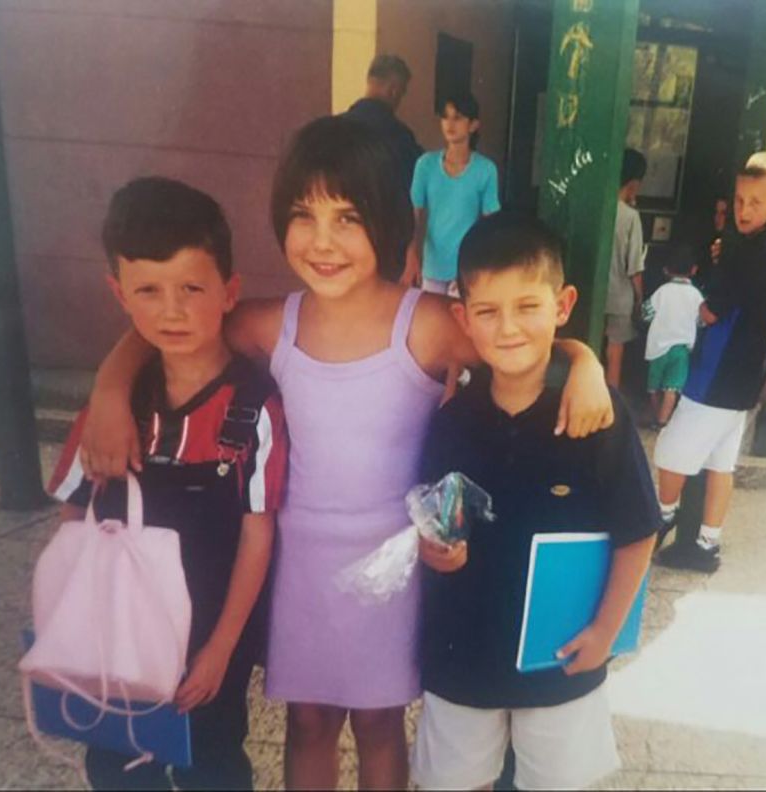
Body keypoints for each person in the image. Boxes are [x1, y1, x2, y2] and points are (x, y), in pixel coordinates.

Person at [76, 117, 615, 790]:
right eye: (304, 215)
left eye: (348, 217)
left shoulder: (422, 324)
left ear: (388, 221)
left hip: (393, 565)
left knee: (380, 724)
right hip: (297, 560)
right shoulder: (271, 323)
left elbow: (517, 343)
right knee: (307, 724)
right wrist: (110, 386)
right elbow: (171, 328)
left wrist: (582, 358)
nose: (323, 242)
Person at [46, 177, 287, 790]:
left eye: (191, 288)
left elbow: (258, 536)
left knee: (213, 764)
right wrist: (64, 615)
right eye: (148, 290)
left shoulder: (252, 406)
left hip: (206, 640)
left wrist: (223, 648)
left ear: (229, 292)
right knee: (117, 765)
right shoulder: (110, 413)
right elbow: (71, 520)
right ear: (118, 294)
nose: (172, 310)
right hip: (115, 636)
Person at [411, 212, 659, 790]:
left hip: (561, 659)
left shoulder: (596, 415)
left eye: (528, 306)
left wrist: (605, 631)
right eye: (487, 311)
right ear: (462, 317)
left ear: (562, 304)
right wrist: (435, 550)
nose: (508, 328)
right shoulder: (452, 419)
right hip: (463, 657)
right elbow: (436, 521)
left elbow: (638, 531)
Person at [654, 153, 766, 573]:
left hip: (717, 374)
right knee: (719, 463)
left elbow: (713, 310)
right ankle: (706, 544)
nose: (744, 210)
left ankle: (663, 515)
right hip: (745, 379)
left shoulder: (752, 253)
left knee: (670, 451)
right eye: (738, 201)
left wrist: (715, 274)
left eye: (755, 202)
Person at [404, 91, 500, 295]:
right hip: (433, 267)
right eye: (445, 117)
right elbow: (414, 213)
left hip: (466, 267)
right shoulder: (426, 165)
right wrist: (411, 253)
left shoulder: (485, 169)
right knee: (432, 322)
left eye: (457, 117)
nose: (450, 123)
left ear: (473, 125)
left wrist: (482, 264)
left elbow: (491, 222)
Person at [343, 54, 423, 196]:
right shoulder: (400, 136)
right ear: (394, 90)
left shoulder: (336, 128)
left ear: (369, 80)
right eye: (402, 91)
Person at [642, 249, 703, 428]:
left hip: (657, 347)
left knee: (654, 387)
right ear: (694, 270)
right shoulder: (696, 295)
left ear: (666, 270)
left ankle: (656, 415)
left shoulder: (662, 292)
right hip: (681, 349)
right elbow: (702, 320)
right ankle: (663, 421)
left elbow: (646, 314)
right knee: (672, 388)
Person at [604, 149, 647, 387]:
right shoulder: (631, 217)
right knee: (615, 354)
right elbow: (635, 269)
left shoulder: (599, 210)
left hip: (596, 294)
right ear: (633, 184)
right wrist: (640, 299)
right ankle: (611, 401)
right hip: (620, 299)